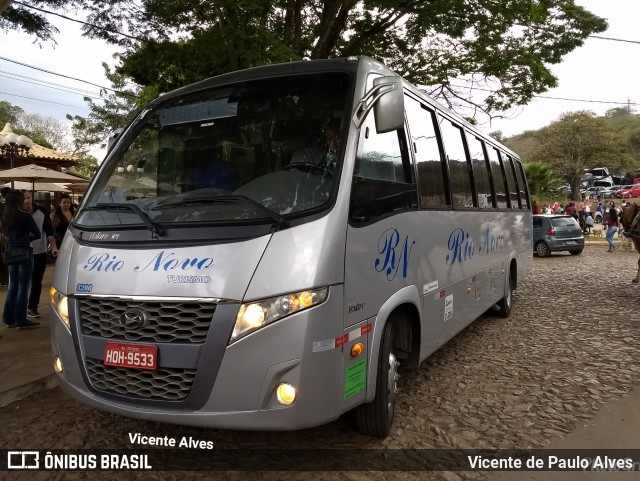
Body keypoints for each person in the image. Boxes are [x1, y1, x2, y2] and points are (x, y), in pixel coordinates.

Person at [1, 190, 41, 329]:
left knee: (13, 285)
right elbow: (37, 233)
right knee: (24, 286)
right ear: (18, 201)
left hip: (11, 253)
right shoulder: (25, 216)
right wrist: (26, 238)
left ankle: (8, 318)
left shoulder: (5, 216)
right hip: (24, 252)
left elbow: (5, 234)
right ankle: (21, 319)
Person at [23, 190, 58, 318]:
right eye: (23, 199)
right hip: (24, 252)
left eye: (28, 197)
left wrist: (54, 247)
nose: (26, 201)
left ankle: (32, 307)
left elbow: (49, 230)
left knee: (37, 281)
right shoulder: (18, 213)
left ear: (31, 197)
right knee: (25, 281)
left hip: (40, 251)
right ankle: (23, 306)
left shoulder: (42, 211)